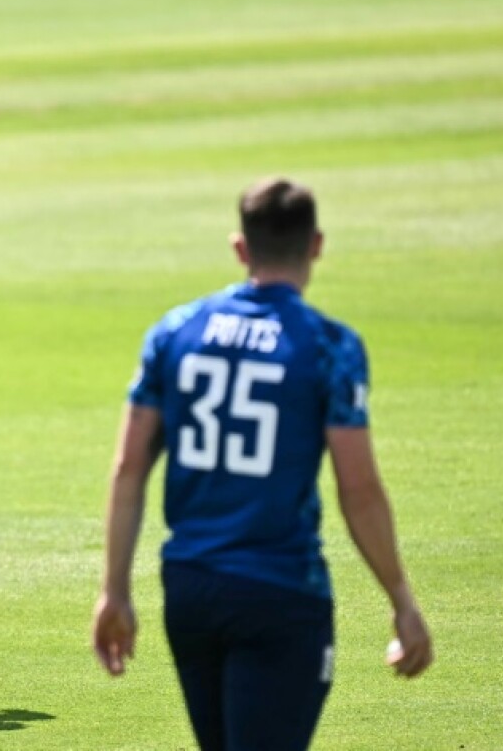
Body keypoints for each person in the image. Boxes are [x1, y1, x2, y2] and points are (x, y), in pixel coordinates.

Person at [91, 178, 432, 749]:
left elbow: (129, 468)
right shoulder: (329, 346)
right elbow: (360, 490)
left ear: (240, 248)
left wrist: (115, 590)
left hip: (191, 589)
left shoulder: (175, 332)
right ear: (316, 245)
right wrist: (401, 601)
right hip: (281, 591)